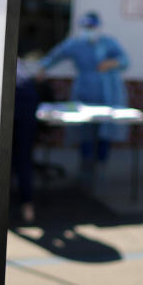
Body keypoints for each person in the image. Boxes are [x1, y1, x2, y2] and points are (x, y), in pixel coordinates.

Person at [37, 11, 129, 169]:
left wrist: (112, 63)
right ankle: (86, 164)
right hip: (84, 92)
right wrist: (42, 68)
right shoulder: (75, 44)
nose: (89, 30)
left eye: (92, 27)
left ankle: (101, 163)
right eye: (86, 27)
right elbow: (56, 55)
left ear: (98, 27)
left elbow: (125, 61)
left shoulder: (108, 42)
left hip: (108, 93)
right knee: (85, 130)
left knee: (105, 129)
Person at [11, 57, 40, 223]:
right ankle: (26, 205)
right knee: (21, 157)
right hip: (20, 100)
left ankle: (26, 204)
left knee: (20, 158)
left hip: (19, 101)